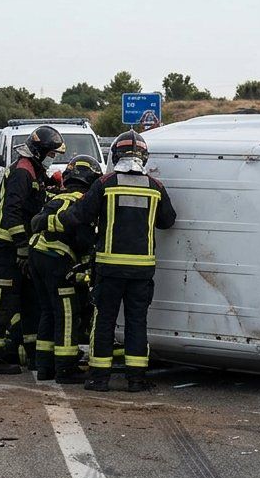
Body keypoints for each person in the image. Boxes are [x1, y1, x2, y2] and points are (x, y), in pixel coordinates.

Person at [58, 131, 176, 392]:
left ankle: (99, 378)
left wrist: (56, 219)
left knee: (104, 321)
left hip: (109, 269)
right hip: (142, 271)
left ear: (115, 155)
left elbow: (80, 215)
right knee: (137, 322)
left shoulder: (105, 184)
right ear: (144, 157)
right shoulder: (155, 187)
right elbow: (168, 221)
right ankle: (136, 379)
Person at [0, 126, 64, 373]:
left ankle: (31, 351)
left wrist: (53, 185)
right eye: (51, 154)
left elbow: (35, 197)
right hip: (7, 246)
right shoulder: (22, 173)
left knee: (29, 298)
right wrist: (23, 248)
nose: (53, 158)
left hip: (18, 245)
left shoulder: (32, 170)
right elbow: (12, 214)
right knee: (3, 298)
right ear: (39, 151)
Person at [28, 155, 102, 383]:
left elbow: (38, 222)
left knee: (48, 311)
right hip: (56, 259)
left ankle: (44, 366)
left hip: (36, 255)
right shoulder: (83, 201)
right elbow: (82, 240)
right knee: (67, 313)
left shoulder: (58, 197)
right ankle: (65, 369)